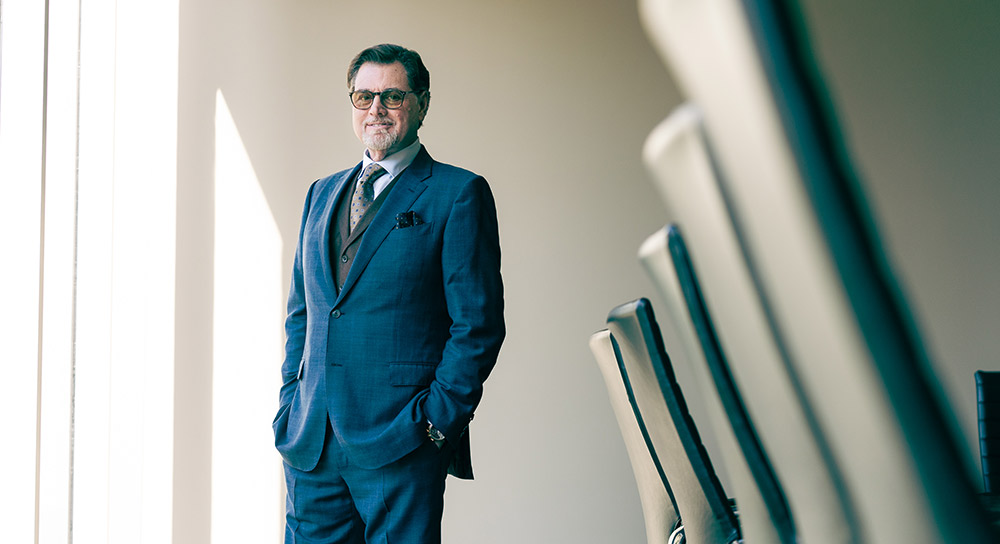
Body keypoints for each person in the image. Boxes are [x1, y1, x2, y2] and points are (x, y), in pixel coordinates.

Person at [272, 43, 505, 544]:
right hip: (311, 443)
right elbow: (303, 315)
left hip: (401, 443)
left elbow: (478, 327)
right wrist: (290, 401)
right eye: (363, 96)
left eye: (392, 96)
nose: (375, 109)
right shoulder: (321, 193)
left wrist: (433, 427)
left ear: (421, 103)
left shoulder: (458, 193)